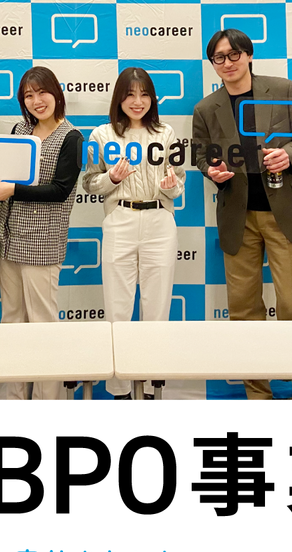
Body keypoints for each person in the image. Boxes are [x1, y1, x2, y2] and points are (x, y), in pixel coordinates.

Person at [192, 29, 292, 400]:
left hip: (285, 214)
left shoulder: (282, 89)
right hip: (238, 216)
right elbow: (200, 155)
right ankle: (258, 397)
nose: (227, 63)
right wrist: (211, 171)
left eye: (234, 54)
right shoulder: (206, 108)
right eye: (219, 58)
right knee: (243, 312)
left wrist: (289, 156)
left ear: (248, 55)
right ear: (212, 63)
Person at [0, 66, 83, 400]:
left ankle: (47, 401)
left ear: (56, 93)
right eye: (29, 95)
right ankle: (15, 398)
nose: (37, 101)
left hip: (43, 243)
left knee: (42, 324)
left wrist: (12, 190)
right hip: (8, 239)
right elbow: (7, 174)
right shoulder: (19, 129)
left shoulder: (72, 138)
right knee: (12, 322)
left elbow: (60, 190)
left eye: (42, 92)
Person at [83, 68, 185, 399]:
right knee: (117, 307)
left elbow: (179, 183)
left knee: (157, 307)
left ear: (152, 98)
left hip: (159, 219)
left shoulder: (166, 133)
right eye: (130, 95)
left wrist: (170, 187)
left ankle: (154, 385)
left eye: (144, 95)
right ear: (119, 99)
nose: (137, 102)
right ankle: (120, 390)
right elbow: (88, 182)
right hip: (120, 219)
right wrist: (111, 178)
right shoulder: (102, 135)